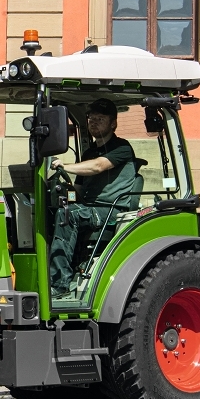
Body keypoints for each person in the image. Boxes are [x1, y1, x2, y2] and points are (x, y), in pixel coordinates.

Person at [48, 97, 138, 295]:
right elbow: (78, 191)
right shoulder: (89, 153)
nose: (93, 122)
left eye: (100, 118)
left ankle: (59, 284)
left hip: (111, 210)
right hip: (89, 208)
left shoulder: (121, 147)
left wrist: (65, 166)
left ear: (113, 123)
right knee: (54, 209)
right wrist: (59, 191)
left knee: (68, 214)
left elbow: (99, 166)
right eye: (91, 118)